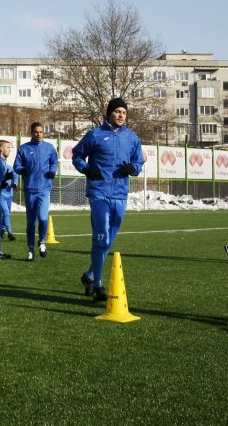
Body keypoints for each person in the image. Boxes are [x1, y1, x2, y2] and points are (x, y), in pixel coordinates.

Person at [72, 98, 144, 302]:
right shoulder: (95, 134)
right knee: (101, 236)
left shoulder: (131, 138)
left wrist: (134, 168)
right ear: (109, 113)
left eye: (124, 112)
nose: (121, 115)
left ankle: (89, 276)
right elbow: (77, 155)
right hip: (99, 192)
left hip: (120, 193)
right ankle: (98, 285)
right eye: (117, 111)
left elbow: (138, 161)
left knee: (109, 239)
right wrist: (86, 169)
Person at [13, 122, 59, 261]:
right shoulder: (24, 149)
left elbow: (54, 162)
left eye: (41, 132)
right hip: (30, 190)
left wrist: (52, 171)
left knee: (43, 218)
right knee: (31, 222)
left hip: (44, 189)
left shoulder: (49, 148)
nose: (39, 134)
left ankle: (42, 242)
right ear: (31, 133)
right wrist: (21, 170)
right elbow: (17, 165)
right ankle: (31, 249)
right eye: (36, 132)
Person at [0, 168, 19, 242]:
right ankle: (10, 233)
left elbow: (15, 176)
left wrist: (15, 184)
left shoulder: (9, 168)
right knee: (6, 213)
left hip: (9, 196)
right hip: (1, 196)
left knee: (7, 214)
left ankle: (2, 228)